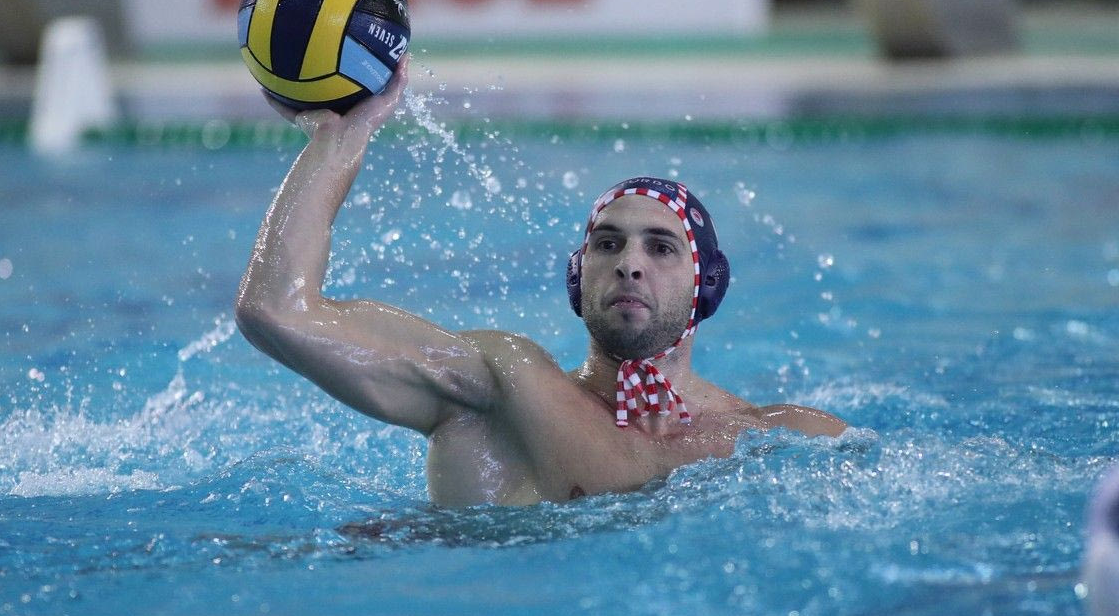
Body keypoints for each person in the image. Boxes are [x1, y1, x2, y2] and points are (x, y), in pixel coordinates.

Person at [235, 57, 846, 507]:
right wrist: (342, 138)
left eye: (661, 248)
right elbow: (276, 311)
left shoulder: (785, 438)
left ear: (707, 286)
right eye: (608, 244)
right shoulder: (509, 390)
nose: (630, 264)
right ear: (578, 276)